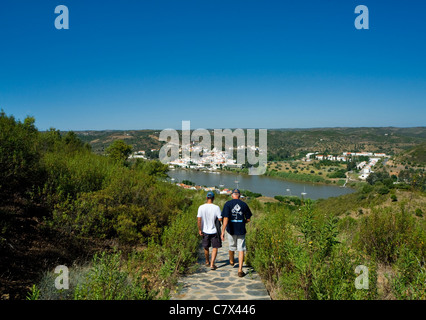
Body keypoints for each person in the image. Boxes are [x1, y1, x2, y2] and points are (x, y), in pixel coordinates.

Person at [221, 189, 252, 277]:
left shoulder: (228, 204)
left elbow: (226, 218)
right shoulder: (244, 204)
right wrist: (243, 221)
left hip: (231, 229)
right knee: (241, 249)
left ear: (232, 195)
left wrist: (222, 231)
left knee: (232, 246)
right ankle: (240, 270)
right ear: (239, 195)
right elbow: (249, 219)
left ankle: (231, 260)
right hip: (241, 229)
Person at [197, 191, 222, 270]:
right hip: (214, 231)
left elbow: (199, 220)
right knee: (215, 247)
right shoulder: (216, 207)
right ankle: (212, 264)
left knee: (206, 247)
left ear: (206, 198)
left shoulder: (201, 207)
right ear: (213, 198)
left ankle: (207, 261)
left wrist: (200, 229)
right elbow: (220, 218)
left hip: (205, 230)